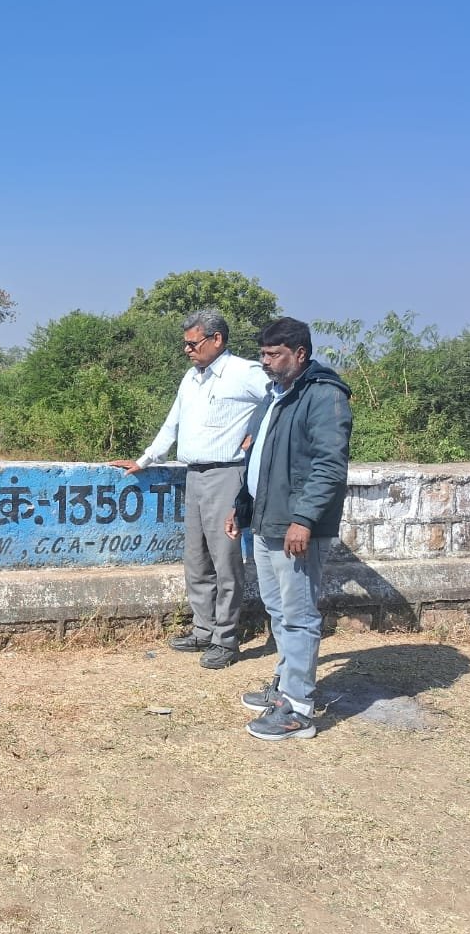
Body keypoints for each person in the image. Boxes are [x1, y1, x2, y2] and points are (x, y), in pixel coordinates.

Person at [111, 309, 269, 669]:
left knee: (225, 560)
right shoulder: (191, 377)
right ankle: (203, 629)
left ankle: (225, 639)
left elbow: (279, 398)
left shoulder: (243, 372)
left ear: (217, 340)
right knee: (196, 559)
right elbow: (173, 422)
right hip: (194, 475)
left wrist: (256, 429)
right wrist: (146, 459)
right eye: (185, 344)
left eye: (193, 343)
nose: (187, 350)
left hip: (227, 474)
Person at [226, 317, 352, 741]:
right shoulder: (275, 395)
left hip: (296, 525)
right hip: (267, 520)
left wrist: (304, 519)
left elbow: (329, 465)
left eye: (274, 354)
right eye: (262, 354)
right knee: (278, 609)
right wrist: (241, 508)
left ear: (300, 353)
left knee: (298, 615)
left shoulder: (323, 394)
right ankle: (285, 689)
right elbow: (257, 460)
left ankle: (298, 709)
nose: (265, 361)